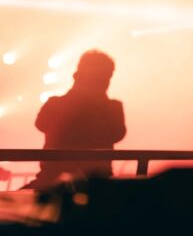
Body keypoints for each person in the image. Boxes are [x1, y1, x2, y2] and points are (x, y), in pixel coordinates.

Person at [23, 50, 126, 189]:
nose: (105, 81)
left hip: (52, 181)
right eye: (104, 76)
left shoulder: (55, 104)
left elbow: (42, 124)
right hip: (96, 184)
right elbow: (117, 133)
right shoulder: (113, 108)